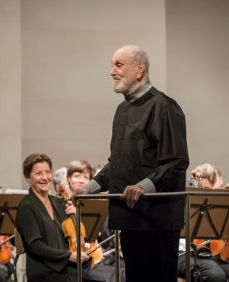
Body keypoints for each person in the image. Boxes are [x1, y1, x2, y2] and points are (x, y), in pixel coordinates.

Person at [71, 45, 189, 282]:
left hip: (157, 219)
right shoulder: (122, 109)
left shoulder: (163, 106)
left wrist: (143, 187)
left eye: (118, 65)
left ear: (140, 69)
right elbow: (117, 163)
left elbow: (177, 161)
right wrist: (89, 188)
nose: (112, 71)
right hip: (129, 217)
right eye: (112, 65)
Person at [15, 153, 105, 282]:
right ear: (28, 177)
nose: (45, 177)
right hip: (44, 270)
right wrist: (68, 257)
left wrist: (75, 219)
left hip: (66, 267)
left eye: (47, 172)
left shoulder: (59, 202)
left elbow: (74, 239)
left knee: (105, 276)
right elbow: (36, 246)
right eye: (38, 173)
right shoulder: (26, 206)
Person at [180, 163, 229, 282]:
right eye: (201, 190)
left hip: (224, 258)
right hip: (200, 256)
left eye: (208, 189)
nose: (205, 194)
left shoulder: (228, 203)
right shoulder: (192, 203)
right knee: (214, 274)